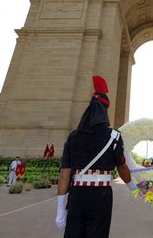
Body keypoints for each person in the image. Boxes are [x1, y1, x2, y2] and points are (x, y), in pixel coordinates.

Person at [55, 75, 137, 238]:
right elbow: (121, 166)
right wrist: (134, 188)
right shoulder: (114, 136)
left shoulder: (73, 137)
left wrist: (60, 210)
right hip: (101, 194)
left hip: (77, 194)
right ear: (105, 111)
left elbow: (65, 174)